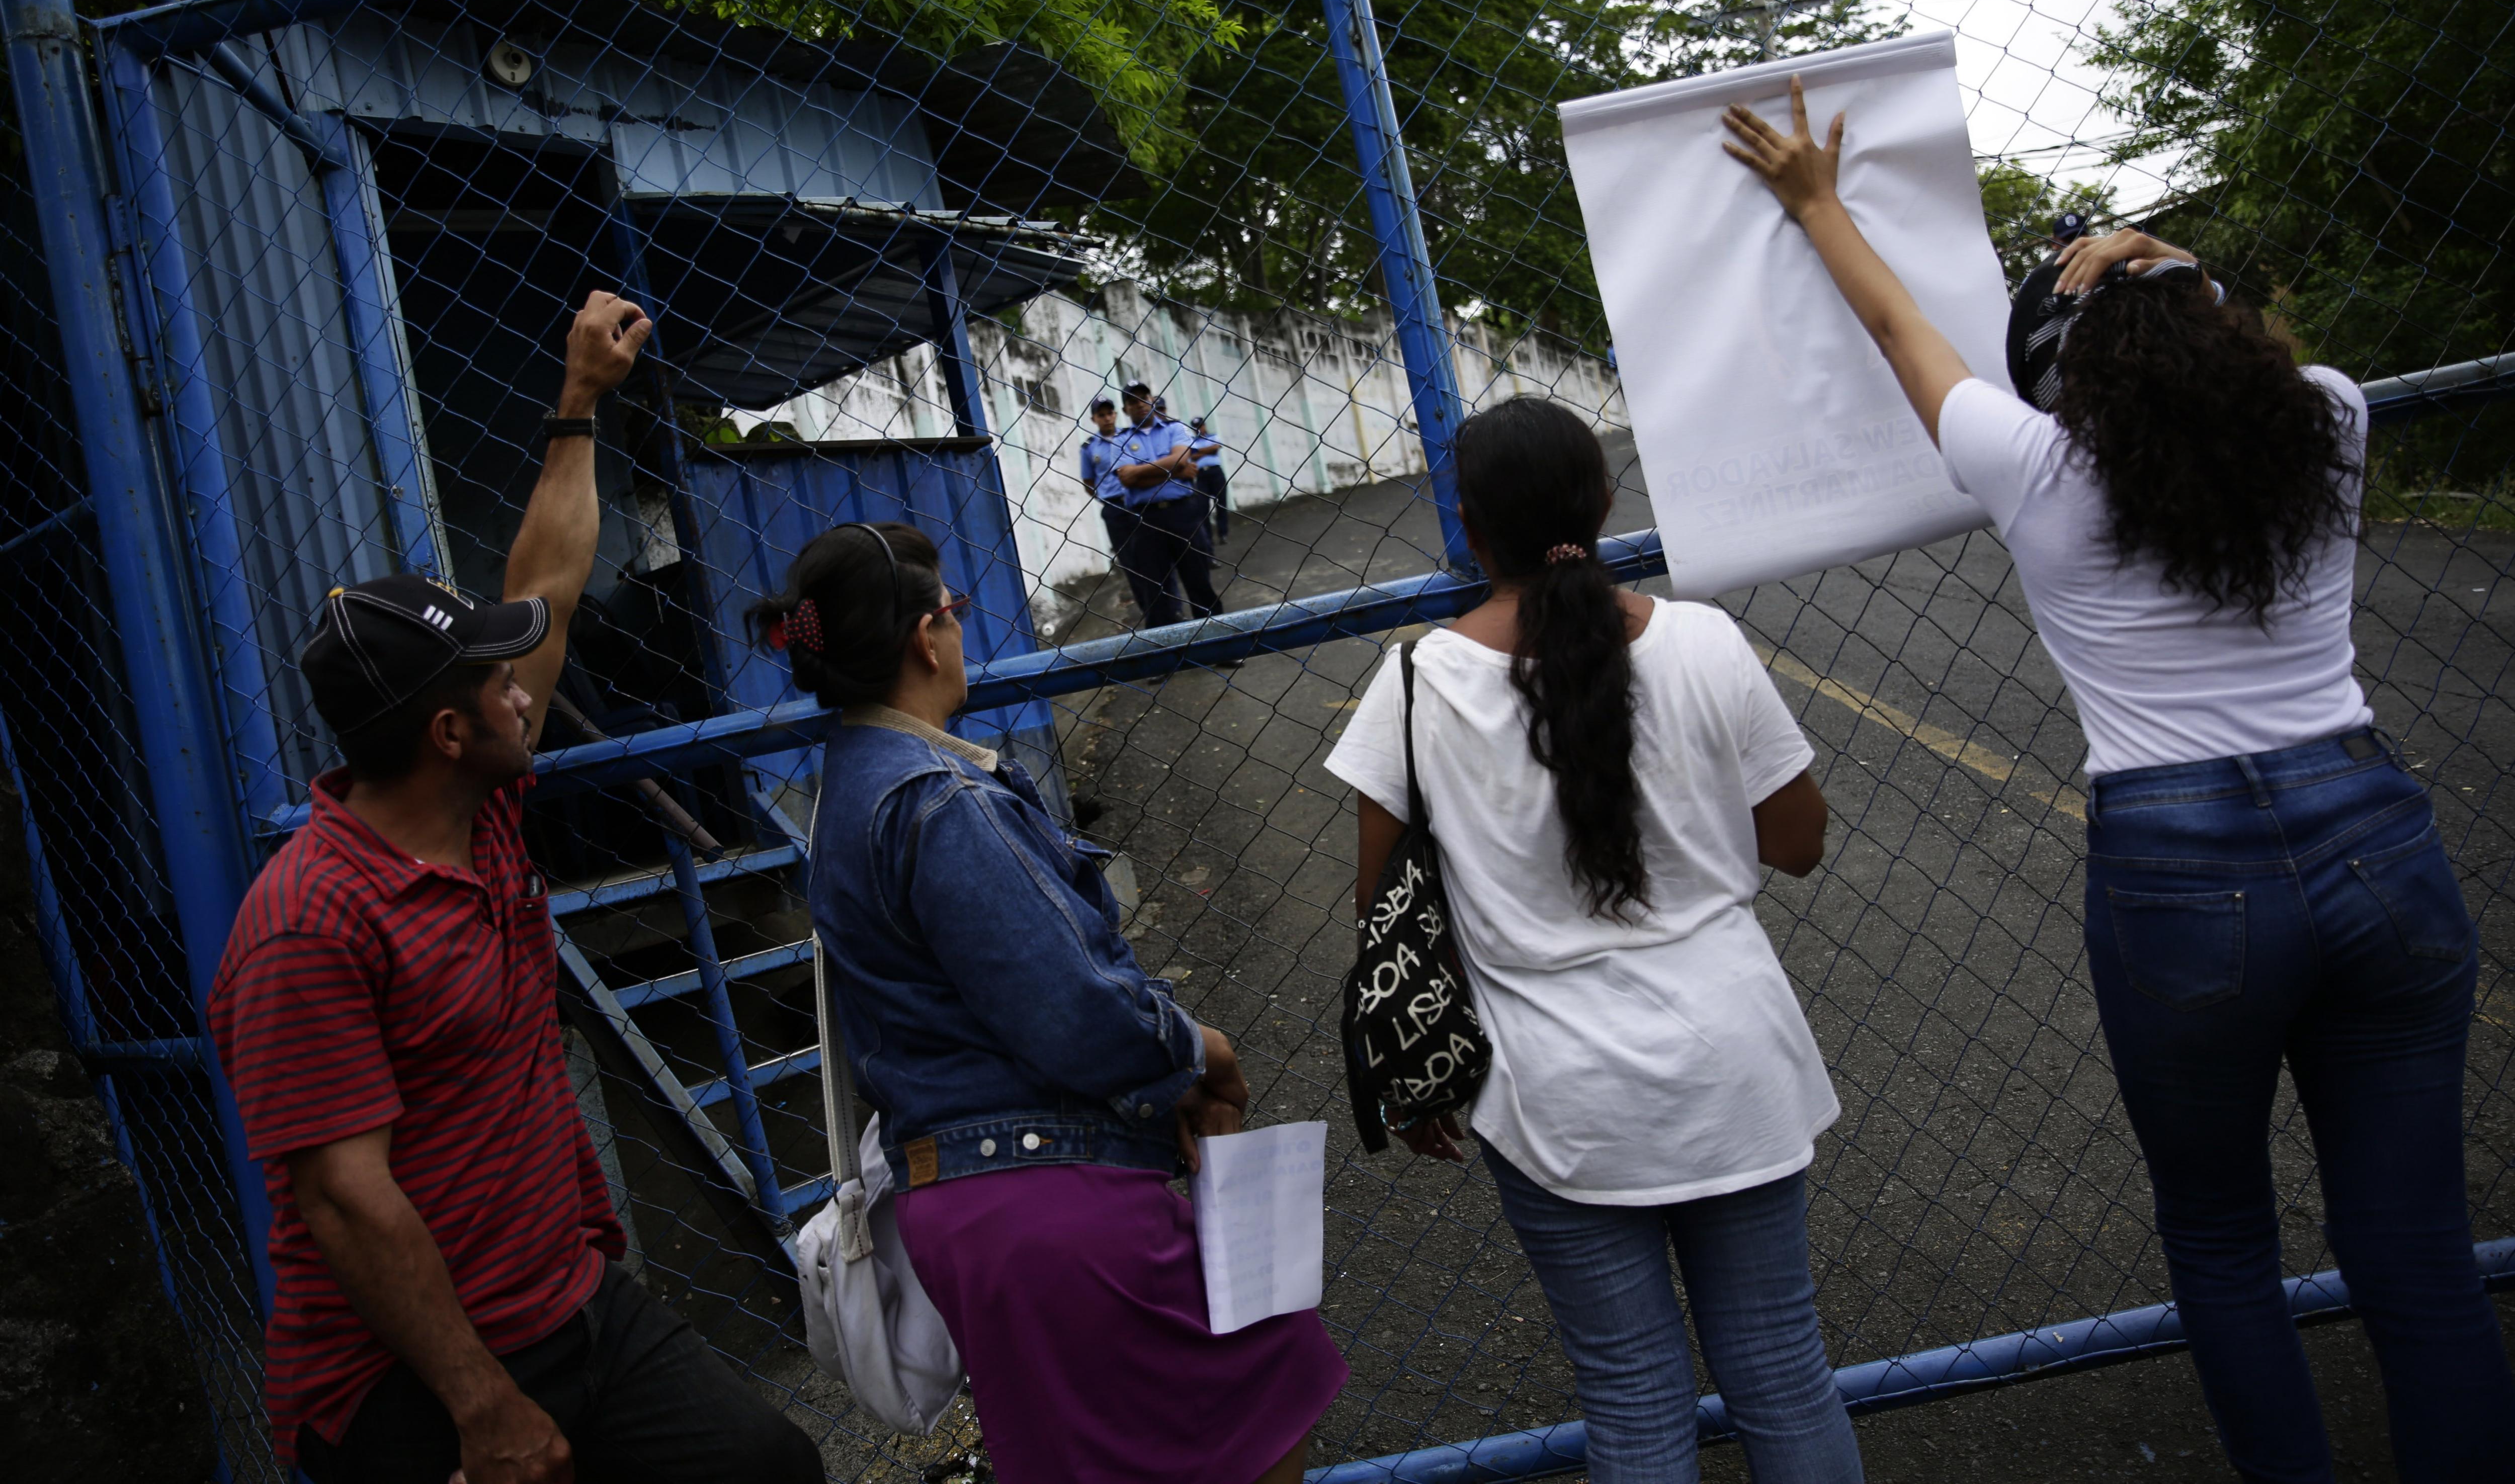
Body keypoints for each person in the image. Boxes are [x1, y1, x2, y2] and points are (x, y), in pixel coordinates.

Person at [1724, 78, 2515, 1481]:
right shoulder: (2328, 420)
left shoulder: (2033, 468)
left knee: (2220, 1235)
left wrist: (1815, 201)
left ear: (2066, 376)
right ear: (2215, 322)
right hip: (2373, 833)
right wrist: (2152, 244)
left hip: (2178, 864)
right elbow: (2236, 332)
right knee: (2417, 1246)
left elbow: (1901, 328)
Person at [207, 293, 824, 1484]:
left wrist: (578, 402)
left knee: (767, 1467)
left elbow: (545, 583)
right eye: (499, 683)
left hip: (568, 1297)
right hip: (409, 1373)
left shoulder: (479, 804)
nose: (527, 686)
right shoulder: (306, 922)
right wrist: (482, 1406)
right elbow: (342, 1200)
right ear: (447, 729)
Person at [1323, 397, 1859, 1484]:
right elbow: (1798, 842)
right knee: (1781, 1370)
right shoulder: (1703, 641)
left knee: (1630, 1390)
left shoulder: (1417, 681)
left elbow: (1381, 901)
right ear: (1606, 502)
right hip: (1736, 1063)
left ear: (1469, 527)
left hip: (1554, 1092)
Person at [763, 521, 1344, 1482]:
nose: (957, 629)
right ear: (924, 636)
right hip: (1051, 1204)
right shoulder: (940, 800)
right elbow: (1076, 1011)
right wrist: (1200, 1049)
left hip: (977, 1209)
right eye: (951, 610)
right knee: (1267, 1396)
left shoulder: (847, 791)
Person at [1112, 381, 1223, 625]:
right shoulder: (1120, 440)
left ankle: (1219, 641)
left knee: (1198, 580)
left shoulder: (1177, 429)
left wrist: (1141, 471)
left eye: (1144, 398)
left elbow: (1182, 459)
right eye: (1132, 401)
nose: (1139, 405)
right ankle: (1167, 652)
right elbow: (1128, 480)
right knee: (1156, 589)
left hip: (1183, 513)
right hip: (1146, 519)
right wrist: (1173, 470)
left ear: (1152, 401)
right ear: (1125, 410)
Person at [1079, 396, 1158, 619]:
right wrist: (1106, 498)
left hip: (1139, 503)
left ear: (1116, 414)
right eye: (1101, 415)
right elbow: (1089, 482)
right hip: (1114, 509)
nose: (1107, 418)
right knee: (1131, 563)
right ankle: (1150, 612)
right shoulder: (1089, 448)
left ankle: (1169, 608)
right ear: (1094, 419)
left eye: (1110, 413)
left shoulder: (1131, 437)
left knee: (1154, 557)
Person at [1189, 415, 1231, 547]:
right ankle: (1208, 538)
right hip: (1201, 476)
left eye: (1201, 426)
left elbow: (1215, 448)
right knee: (1203, 508)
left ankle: (1223, 534)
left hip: (1216, 473)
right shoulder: (1192, 441)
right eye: (1196, 427)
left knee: (1221, 504)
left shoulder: (1213, 437)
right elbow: (1192, 455)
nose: (1199, 429)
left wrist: (1199, 452)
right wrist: (1207, 451)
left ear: (1205, 426)